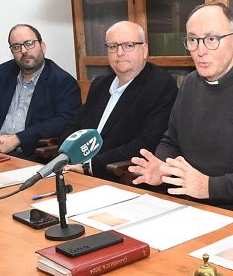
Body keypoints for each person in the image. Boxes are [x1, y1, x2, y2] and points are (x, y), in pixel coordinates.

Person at [129, 2, 233, 221]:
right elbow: (171, 141)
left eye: (212, 39)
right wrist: (163, 167)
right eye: (193, 40)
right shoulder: (190, 83)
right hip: (188, 206)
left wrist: (210, 187)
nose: (200, 51)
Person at [62, 21, 178, 180]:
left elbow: (146, 143)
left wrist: (89, 166)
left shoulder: (160, 85)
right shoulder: (100, 84)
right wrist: (65, 155)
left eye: (129, 45)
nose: (120, 52)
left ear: (144, 50)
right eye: (112, 47)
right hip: (74, 169)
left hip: (117, 176)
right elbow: (74, 127)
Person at [0, 24, 81, 158]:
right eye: (16, 47)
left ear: (42, 46)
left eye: (29, 43)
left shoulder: (62, 81)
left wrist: (17, 139)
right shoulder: (1, 74)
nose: (24, 50)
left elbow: (66, 120)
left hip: (29, 155)